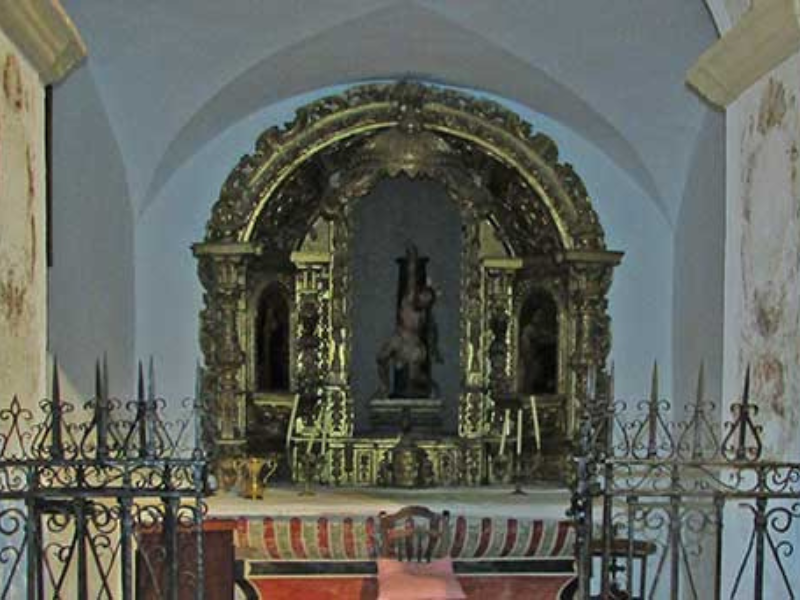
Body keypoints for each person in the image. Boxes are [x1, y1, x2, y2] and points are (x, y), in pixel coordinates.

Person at [376, 244, 441, 398]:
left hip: (413, 344)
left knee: (414, 377)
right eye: (423, 296)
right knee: (381, 358)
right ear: (419, 293)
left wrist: (434, 350)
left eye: (427, 301)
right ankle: (384, 387)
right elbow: (411, 275)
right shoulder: (409, 298)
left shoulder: (423, 316)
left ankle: (430, 386)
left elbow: (431, 333)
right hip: (398, 338)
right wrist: (412, 257)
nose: (423, 300)